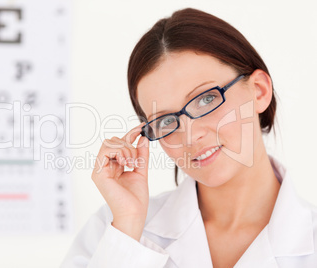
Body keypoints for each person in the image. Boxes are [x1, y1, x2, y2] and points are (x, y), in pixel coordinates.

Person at [60, 7, 317, 268]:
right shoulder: (115, 230)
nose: (191, 136)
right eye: (166, 121)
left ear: (259, 91)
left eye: (206, 99)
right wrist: (128, 229)